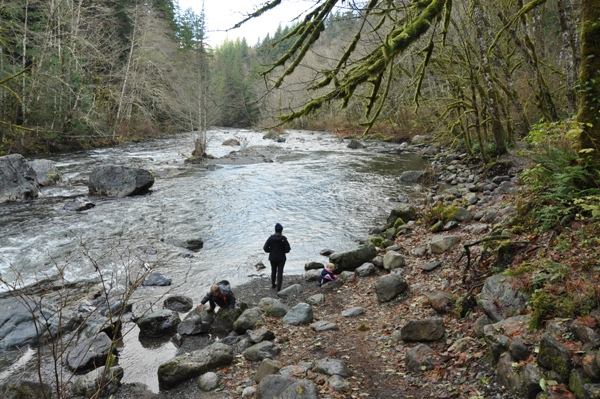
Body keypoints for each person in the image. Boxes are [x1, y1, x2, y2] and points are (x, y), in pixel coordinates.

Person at [263, 223, 291, 292]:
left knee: (273, 271)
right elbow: (288, 249)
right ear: (281, 230)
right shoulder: (283, 239)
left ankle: (273, 284)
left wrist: (271, 250)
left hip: (272, 257)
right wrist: (282, 251)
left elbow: (265, 248)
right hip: (281, 258)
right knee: (280, 272)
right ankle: (279, 287)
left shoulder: (270, 238)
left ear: (275, 230)